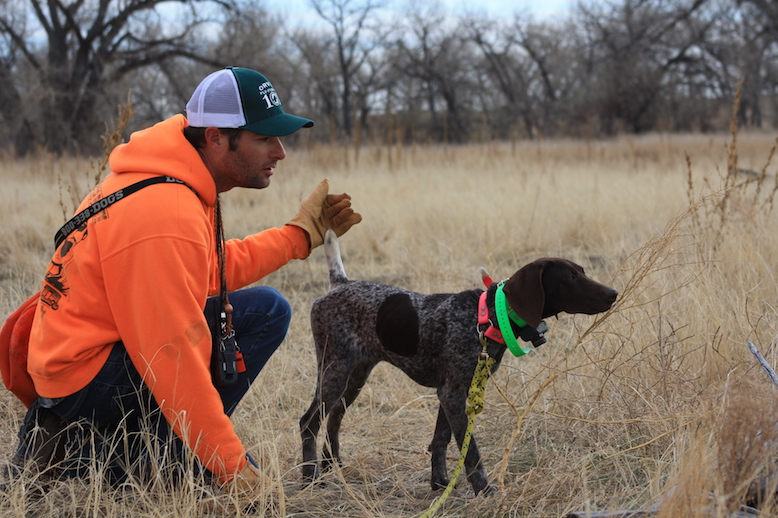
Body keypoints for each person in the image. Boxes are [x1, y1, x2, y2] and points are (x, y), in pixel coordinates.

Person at [10, 66, 361, 501]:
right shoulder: (165, 210)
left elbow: (205, 267)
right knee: (208, 344)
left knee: (267, 310)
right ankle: (146, 460)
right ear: (216, 137)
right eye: (264, 138)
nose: (280, 152)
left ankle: (141, 449)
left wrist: (296, 238)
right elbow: (172, 360)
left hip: (86, 357)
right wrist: (235, 470)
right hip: (81, 382)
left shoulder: (176, 176)